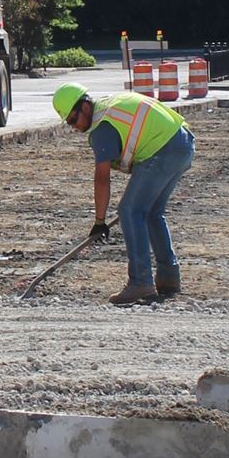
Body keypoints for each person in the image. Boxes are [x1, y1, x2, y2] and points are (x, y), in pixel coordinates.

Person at [52, 80, 194, 308]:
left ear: (85, 107)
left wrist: (100, 221)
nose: (74, 126)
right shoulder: (109, 108)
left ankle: (140, 281)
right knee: (151, 213)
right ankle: (169, 277)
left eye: (73, 119)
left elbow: (101, 178)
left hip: (163, 149)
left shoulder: (102, 128)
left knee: (130, 210)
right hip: (182, 143)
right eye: (69, 123)